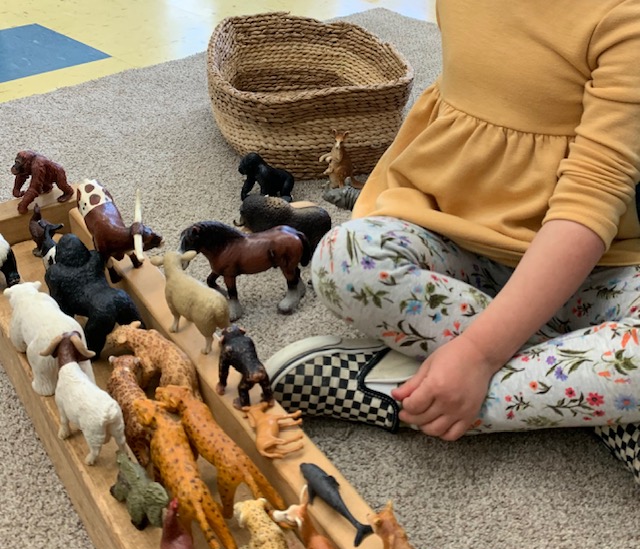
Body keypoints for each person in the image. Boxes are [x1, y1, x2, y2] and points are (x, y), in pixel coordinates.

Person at [265, 0, 640, 484]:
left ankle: (393, 390)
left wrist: (480, 353)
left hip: (600, 268)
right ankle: (591, 394)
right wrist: (480, 353)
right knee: (344, 259)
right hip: (460, 244)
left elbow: (591, 202)